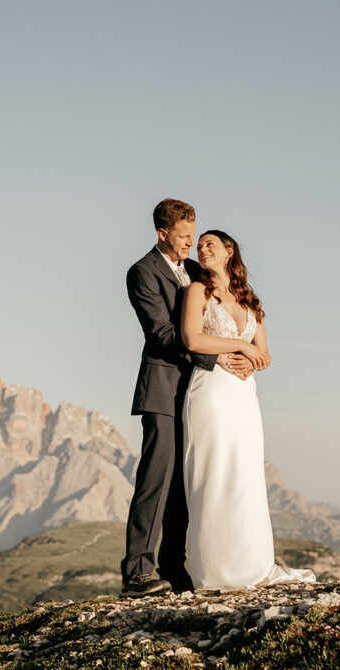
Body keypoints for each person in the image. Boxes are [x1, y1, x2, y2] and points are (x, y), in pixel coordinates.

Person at [121, 199, 254, 598]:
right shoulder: (142, 273)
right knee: (155, 480)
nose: (190, 244)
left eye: (193, 236)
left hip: (200, 394)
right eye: (182, 237)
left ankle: (173, 568)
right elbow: (161, 334)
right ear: (162, 233)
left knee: (185, 483)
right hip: (163, 388)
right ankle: (137, 573)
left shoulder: (196, 272)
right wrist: (219, 356)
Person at [180, 229, 316, 589]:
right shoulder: (197, 291)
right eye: (199, 245)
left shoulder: (249, 299)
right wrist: (241, 346)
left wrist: (251, 362)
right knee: (215, 473)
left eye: (210, 244)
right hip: (210, 391)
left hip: (243, 394)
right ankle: (214, 571)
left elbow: (264, 353)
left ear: (229, 252)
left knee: (246, 476)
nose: (201, 249)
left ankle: (251, 565)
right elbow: (192, 338)